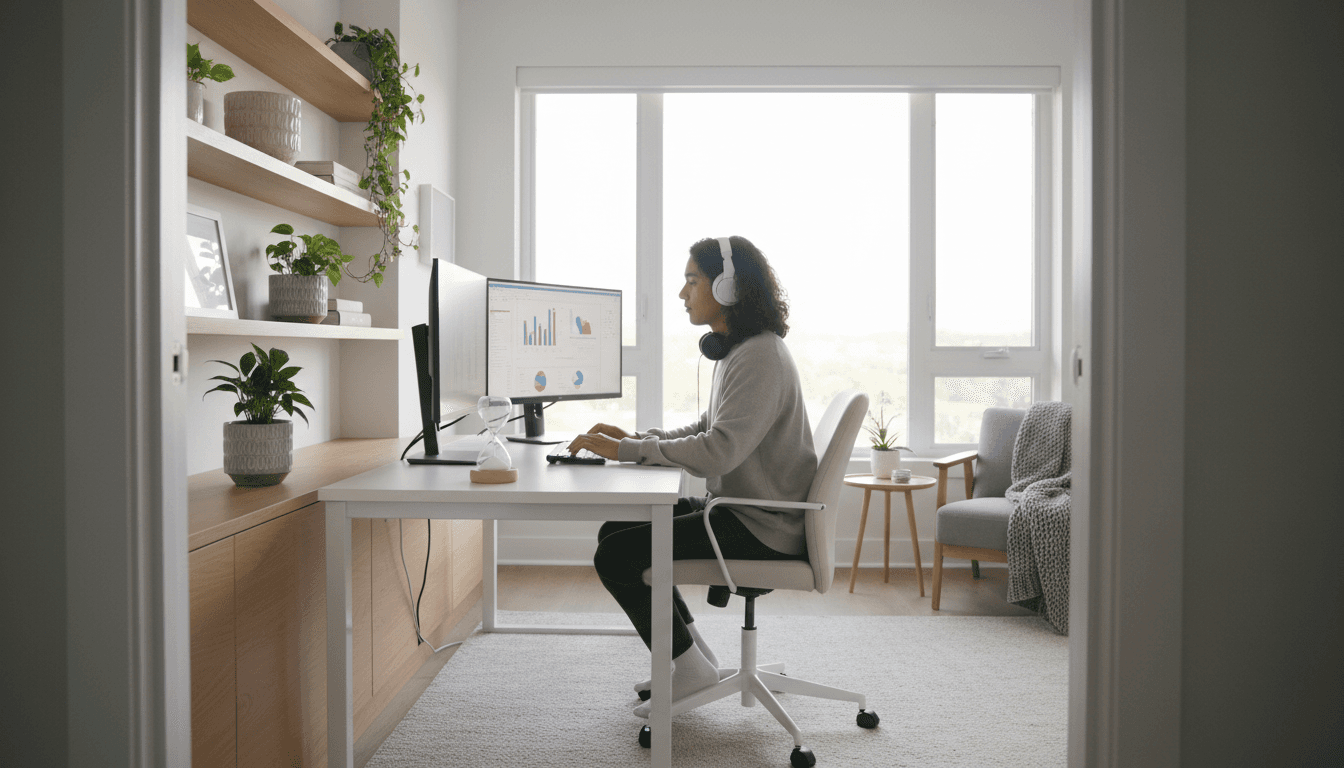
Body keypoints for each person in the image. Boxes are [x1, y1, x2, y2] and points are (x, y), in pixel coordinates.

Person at [566, 235, 817, 717]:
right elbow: (709, 428)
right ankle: (693, 661)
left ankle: (690, 668)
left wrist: (631, 450)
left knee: (617, 555)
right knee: (616, 530)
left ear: (727, 288)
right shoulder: (741, 351)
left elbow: (719, 452)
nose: (682, 294)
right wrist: (640, 439)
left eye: (691, 281)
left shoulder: (759, 356)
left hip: (760, 526)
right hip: (746, 512)